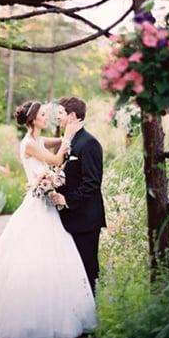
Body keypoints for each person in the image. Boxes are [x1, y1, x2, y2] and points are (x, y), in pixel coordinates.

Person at [0, 100, 97, 338]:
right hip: (37, 206)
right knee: (33, 254)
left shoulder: (38, 140)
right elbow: (57, 161)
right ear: (33, 119)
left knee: (53, 254)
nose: (47, 117)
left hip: (46, 203)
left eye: (49, 114)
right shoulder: (28, 144)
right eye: (43, 114)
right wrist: (67, 137)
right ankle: (28, 314)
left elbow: (57, 144)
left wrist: (71, 130)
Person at [50, 96, 106, 296]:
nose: (58, 117)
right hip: (67, 219)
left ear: (72, 116)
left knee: (86, 269)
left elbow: (92, 183)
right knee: (70, 271)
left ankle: (89, 321)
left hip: (85, 220)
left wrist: (67, 200)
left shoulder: (89, 143)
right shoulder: (67, 142)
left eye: (61, 114)